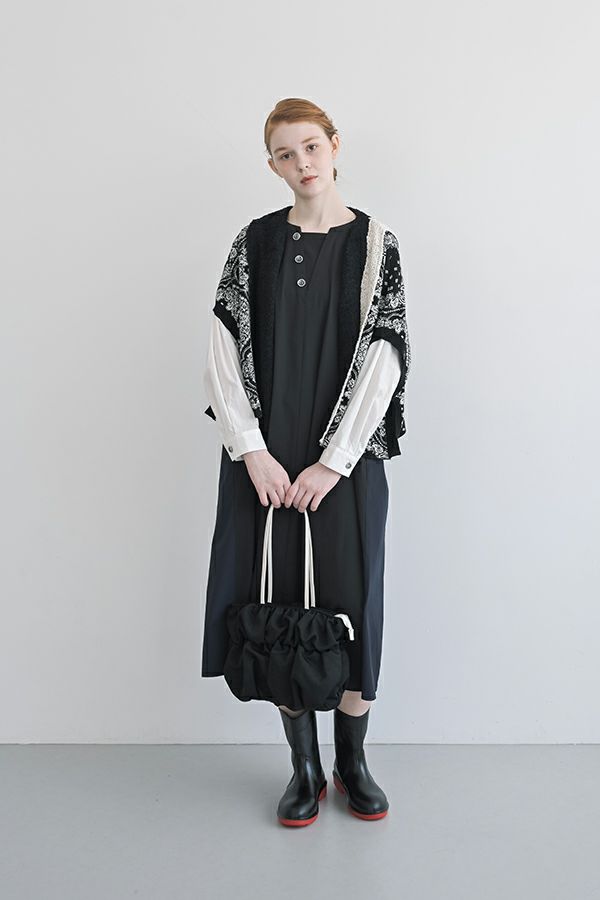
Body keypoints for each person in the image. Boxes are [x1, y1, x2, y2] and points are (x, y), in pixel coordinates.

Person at [201, 98, 411, 826]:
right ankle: (305, 767)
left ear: (334, 145)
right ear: (273, 165)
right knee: (277, 601)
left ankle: (353, 762)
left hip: (343, 466)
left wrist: (334, 462)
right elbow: (222, 348)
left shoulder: (376, 245)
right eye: (286, 154)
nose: (302, 163)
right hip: (264, 462)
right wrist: (252, 451)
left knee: (354, 605)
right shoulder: (253, 243)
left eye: (311, 146)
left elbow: (385, 357)